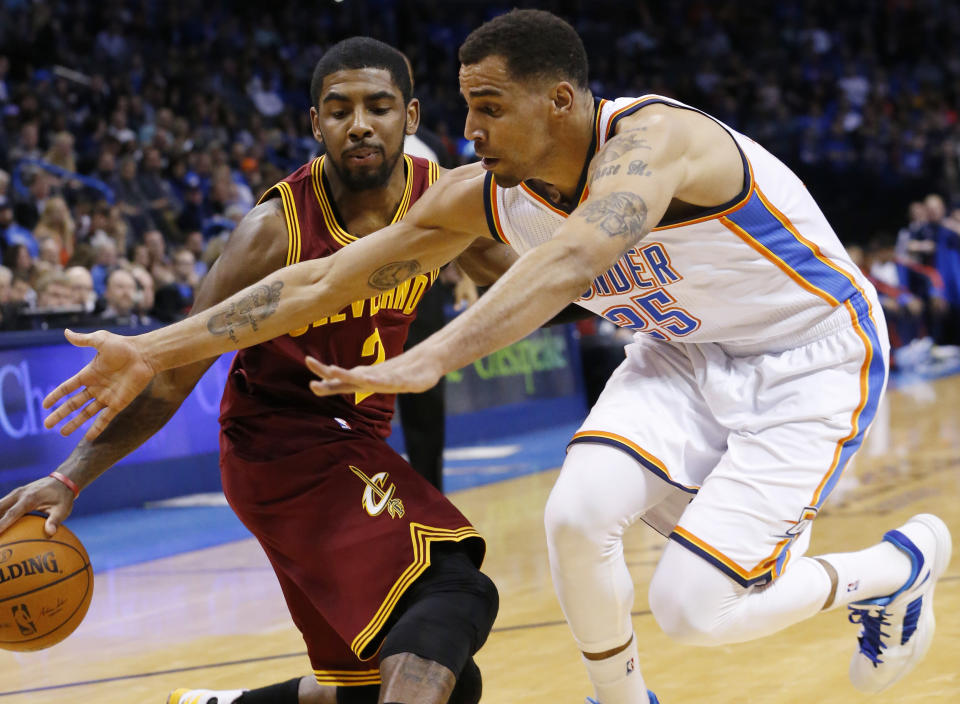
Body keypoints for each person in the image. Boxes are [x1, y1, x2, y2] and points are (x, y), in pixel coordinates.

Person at [31, 10, 951, 704]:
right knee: (575, 514)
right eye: (465, 109)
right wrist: (149, 347)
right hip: (680, 350)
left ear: (559, 101)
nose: (469, 133)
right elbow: (317, 284)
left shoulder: (659, 141)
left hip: (809, 356)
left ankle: (893, 568)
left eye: (487, 109)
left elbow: (574, 259)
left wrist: (432, 357)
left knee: (691, 608)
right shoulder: (478, 192)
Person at [0, 38, 504, 704]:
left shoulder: (442, 203)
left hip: (355, 441)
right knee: (456, 589)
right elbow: (175, 374)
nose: (360, 124)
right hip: (281, 448)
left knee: (434, 680)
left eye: (378, 107)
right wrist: (71, 476)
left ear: (409, 117)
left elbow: (530, 281)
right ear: (314, 124)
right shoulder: (274, 230)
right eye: (339, 109)